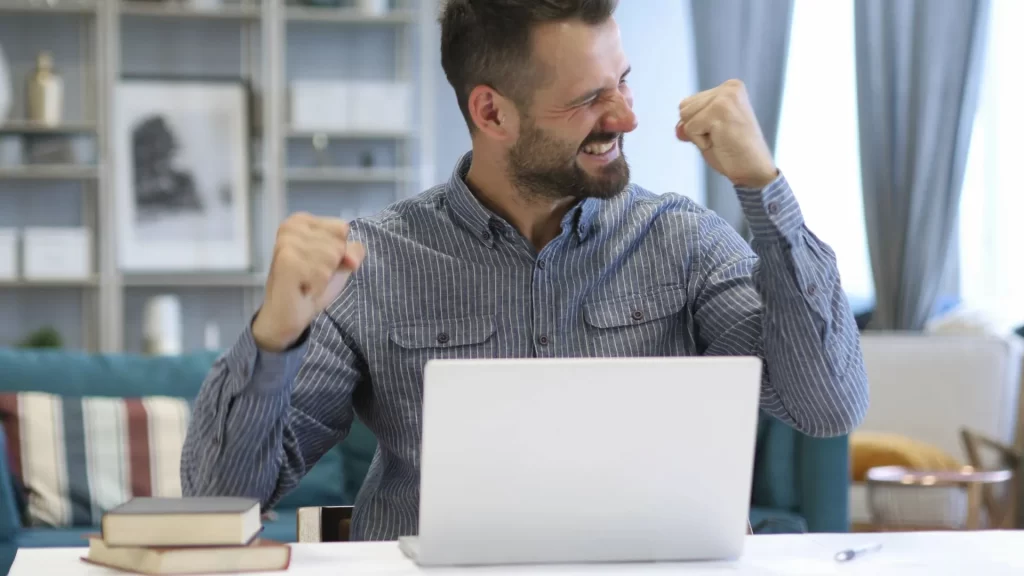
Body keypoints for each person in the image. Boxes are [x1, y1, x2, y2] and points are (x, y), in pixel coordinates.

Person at [181, 0, 869, 542]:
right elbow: (218, 502)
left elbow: (827, 406)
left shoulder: (681, 241)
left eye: (623, 82)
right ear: (491, 112)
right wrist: (274, 337)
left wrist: (765, 189)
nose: (627, 115)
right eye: (590, 98)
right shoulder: (374, 262)